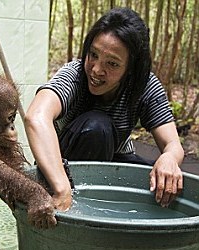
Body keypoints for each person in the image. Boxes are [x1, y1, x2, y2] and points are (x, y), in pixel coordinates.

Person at [24, 7, 184, 212]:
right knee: (97, 127)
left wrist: (169, 159)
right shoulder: (74, 74)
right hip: (64, 165)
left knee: (163, 182)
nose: (97, 69)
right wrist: (62, 188)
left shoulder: (144, 85)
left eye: (112, 64)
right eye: (93, 54)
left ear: (131, 69)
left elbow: (173, 144)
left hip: (114, 159)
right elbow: (36, 117)